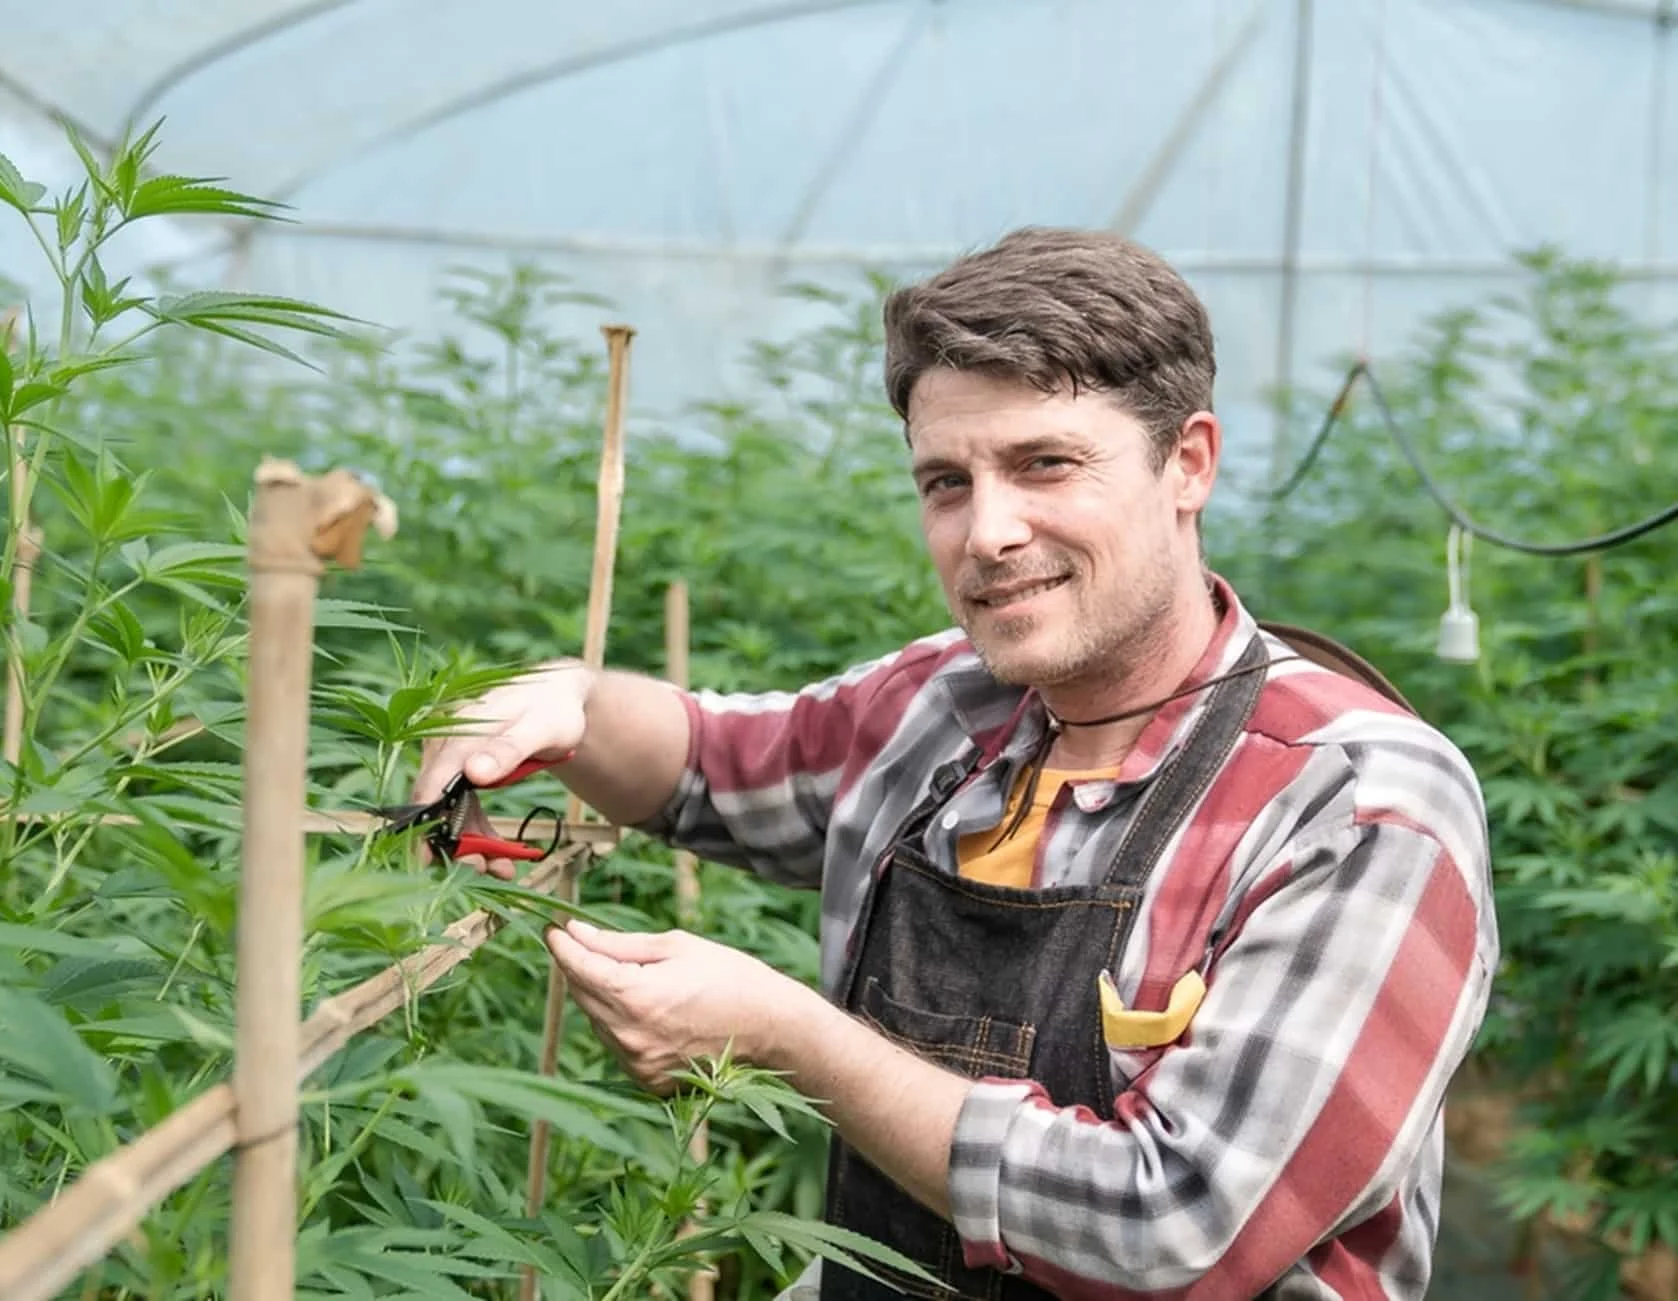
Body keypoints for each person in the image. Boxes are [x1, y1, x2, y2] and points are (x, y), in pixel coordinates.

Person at [410, 227, 1498, 1300]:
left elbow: (1177, 1227)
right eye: (946, 482)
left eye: (1045, 465)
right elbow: (707, 762)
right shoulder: (948, 707)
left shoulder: (1356, 801)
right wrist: (572, 702)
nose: (988, 531)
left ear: (1190, 463)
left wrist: (796, 1039)